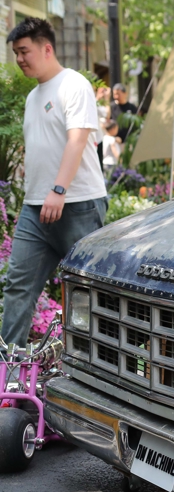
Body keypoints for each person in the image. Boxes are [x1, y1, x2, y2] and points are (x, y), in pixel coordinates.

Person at [3, 17, 108, 347]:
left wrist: (58, 190)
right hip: (36, 208)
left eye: (24, 51)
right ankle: (9, 369)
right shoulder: (33, 97)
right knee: (18, 286)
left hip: (77, 204)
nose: (19, 59)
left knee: (88, 291)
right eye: (16, 53)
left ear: (46, 49)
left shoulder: (73, 84)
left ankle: (96, 367)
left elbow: (77, 140)